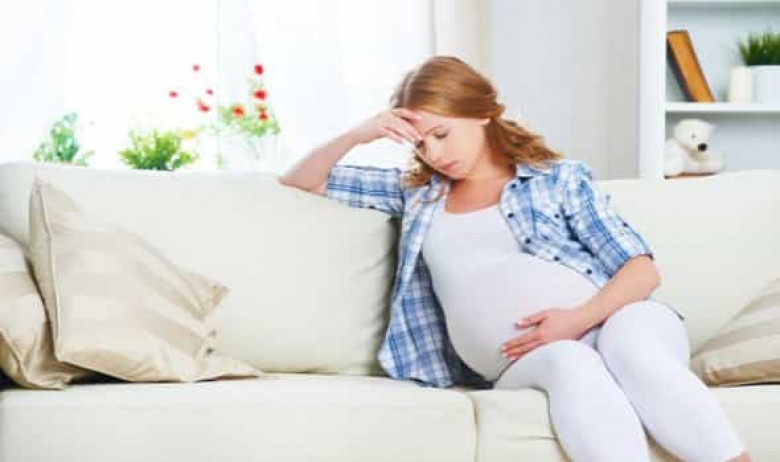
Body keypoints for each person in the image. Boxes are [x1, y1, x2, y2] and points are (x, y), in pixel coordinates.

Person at [278, 56, 751, 462]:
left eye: (442, 133)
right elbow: (303, 180)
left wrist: (578, 319)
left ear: (482, 113)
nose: (435, 153)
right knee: (570, 362)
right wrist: (357, 135)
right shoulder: (417, 194)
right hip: (526, 358)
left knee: (628, 346)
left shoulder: (555, 180)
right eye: (421, 143)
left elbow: (642, 270)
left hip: (620, 317)